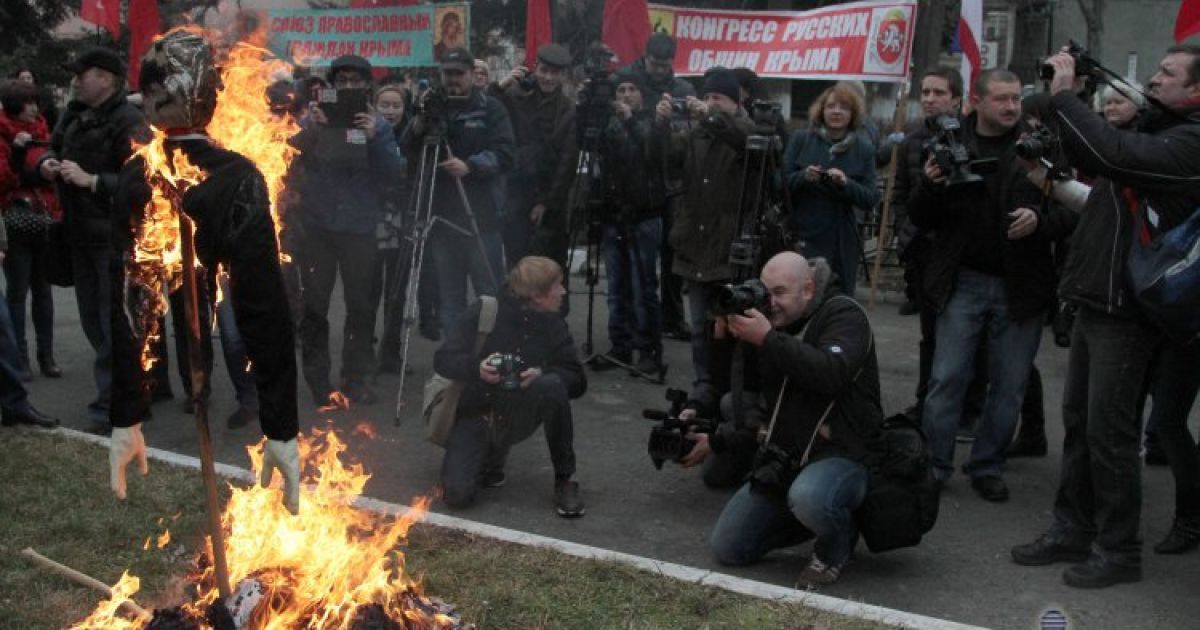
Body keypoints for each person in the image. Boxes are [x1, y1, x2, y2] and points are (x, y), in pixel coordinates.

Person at [1012, 45, 1200, 588]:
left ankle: (1119, 550)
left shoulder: (1190, 142)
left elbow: (1112, 153)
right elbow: (1099, 178)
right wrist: (1045, 166)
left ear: (1196, 91)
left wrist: (1069, 94)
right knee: (1079, 425)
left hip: (1130, 310)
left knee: (1111, 435)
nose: (1155, 79)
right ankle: (1072, 527)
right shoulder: (1157, 130)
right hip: (1099, 297)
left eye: (1168, 73)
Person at [108, 29, 300, 513]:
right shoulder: (228, 176)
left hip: (195, 298)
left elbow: (131, 306)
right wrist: (281, 427)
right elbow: (263, 306)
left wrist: (125, 414)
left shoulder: (144, 172)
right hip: (194, 299)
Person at [911, 69, 1074, 502]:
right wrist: (929, 184)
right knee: (947, 379)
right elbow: (920, 217)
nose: (1010, 107)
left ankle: (987, 465)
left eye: (1016, 98)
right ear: (976, 103)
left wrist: (1040, 222)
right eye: (1001, 99)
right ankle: (935, 465)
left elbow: (1074, 211)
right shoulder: (947, 142)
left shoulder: (1042, 144)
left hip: (1021, 284)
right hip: (962, 279)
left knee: (1009, 385)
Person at [697, 251, 881, 586]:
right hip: (788, 455)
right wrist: (723, 337)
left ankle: (836, 543)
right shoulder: (769, 324)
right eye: (767, 293)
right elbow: (742, 395)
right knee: (729, 547)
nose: (772, 302)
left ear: (808, 289)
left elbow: (831, 372)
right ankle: (812, 515)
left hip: (841, 453)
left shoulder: (844, 315)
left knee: (811, 496)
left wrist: (767, 339)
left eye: (780, 293)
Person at [35, 47, 146, 432]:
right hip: (77, 234)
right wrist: (46, 164)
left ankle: (111, 407)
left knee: (112, 322)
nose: (77, 79)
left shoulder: (129, 119)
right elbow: (49, 146)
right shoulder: (74, 113)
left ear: (109, 80)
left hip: (114, 240)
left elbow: (145, 182)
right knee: (93, 323)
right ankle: (129, 391)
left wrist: (93, 180)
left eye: (85, 73)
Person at [290, 54, 404, 406]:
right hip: (319, 225)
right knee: (315, 306)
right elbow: (290, 160)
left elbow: (395, 174)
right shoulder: (314, 117)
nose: (349, 86)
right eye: (343, 81)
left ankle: (357, 378)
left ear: (366, 86)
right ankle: (318, 382)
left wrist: (375, 137)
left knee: (361, 306)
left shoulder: (378, 124)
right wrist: (313, 131)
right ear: (333, 85)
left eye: (356, 81)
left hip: (359, 227)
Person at [434, 256, 587, 517]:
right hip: (477, 408)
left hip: (519, 410)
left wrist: (541, 374)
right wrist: (477, 368)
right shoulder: (486, 310)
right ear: (537, 296)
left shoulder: (552, 323)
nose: (563, 292)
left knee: (552, 385)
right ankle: (489, 457)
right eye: (557, 287)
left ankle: (565, 479)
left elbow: (577, 379)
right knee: (457, 496)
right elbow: (443, 359)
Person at [660, 68, 758, 411]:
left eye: (719, 98)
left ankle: (731, 386)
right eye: (707, 97)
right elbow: (666, 162)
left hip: (730, 246)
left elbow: (749, 143)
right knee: (700, 325)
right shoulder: (697, 132)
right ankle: (704, 385)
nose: (710, 104)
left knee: (732, 324)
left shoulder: (751, 127)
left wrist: (714, 117)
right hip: (696, 242)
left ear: (736, 101)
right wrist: (661, 124)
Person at [402, 48, 514, 335]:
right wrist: (418, 122)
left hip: (481, 214)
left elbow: (505, 153)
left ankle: (493, 356)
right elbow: (407, 150)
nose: (453, 80)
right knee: (449, 297)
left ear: (472, 75)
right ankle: (453, 363)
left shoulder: (490, 107)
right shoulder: (433, 105)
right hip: (440, 214)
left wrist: (471, 166)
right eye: (447, 73)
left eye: (459, 74)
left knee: (488, 292)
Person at [590, 68, 668, 377]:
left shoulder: (653, 121)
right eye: (620, 90)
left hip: (644, 216)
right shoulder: (607, 123)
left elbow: (651, 151)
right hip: (613, 215)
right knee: (616, 289)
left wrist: (629, 119)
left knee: (643, 288)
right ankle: (619, 345)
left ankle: (648, 349)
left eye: (631, 90)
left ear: (641, 94)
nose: (625, 95)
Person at [624, 33, 696, 342]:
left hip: (673, 183)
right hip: (639, 180)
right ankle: (634, 318)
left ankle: (672, 317)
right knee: (636, 255)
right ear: (645, 56)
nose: (660, 71)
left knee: (672, 253)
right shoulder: (629, 83)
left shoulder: (682, 88)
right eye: (655, 64)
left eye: (665, 65)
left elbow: (690, 136)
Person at [783, 83, 881, 296]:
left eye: (844, 107)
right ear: (821, 110)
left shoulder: (863, 149)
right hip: (802, 235)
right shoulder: (801, 139)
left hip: (840, 241)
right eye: (831, 106)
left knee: (835, 302)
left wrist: (846, 184)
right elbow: (778, 183)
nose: (836, 111)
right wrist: (803, 177)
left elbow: (871, 197)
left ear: (853, 114)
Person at [488, 43, 576, 270]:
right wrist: (500, 86)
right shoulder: (516, 97)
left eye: (554, 73)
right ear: (534, 69)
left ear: (562, 76)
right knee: (517, 269)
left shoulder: (568, 109)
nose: (548, 78)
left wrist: (545, 202)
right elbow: (490, 112)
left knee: (549, 270)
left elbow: (567, 162)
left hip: (550, 202)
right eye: (544, 71)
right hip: (517, 195)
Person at [0, 79, 61, 381]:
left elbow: (51, 170)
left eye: (35, 102)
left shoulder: (42, 130)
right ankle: (19, 356)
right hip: (16, 221)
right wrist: (15, 151)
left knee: (43, 292)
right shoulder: (3, 133)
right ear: (14, 105)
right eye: (27, 103)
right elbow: (4, 178)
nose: (34, 108)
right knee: (17, 293)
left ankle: (46, 356)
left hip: (44, 218)